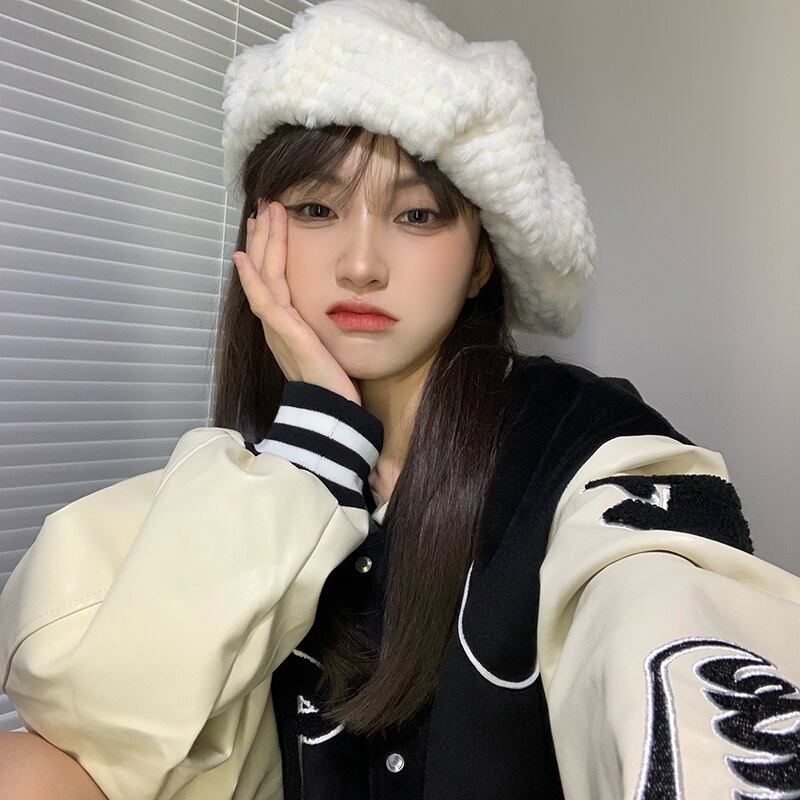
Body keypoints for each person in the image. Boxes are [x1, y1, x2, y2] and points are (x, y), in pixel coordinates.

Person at [1, 1, 799, 799]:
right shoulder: (245, 477)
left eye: (416, 215)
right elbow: (94, 723)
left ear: (481, 261)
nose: (360, 265)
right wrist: (314, 446)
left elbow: (671, 623)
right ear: (259, 236)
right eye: (316, 209)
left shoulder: (577, 442)